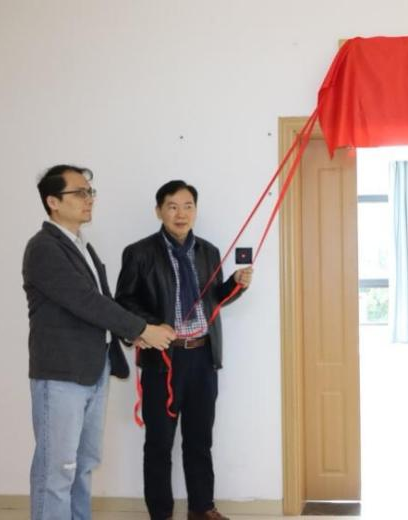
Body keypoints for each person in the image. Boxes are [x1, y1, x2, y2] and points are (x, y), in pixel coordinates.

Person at [23, 164, 176, 520]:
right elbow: (86, 302)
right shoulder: (44, 247)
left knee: (83, 464)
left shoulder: (81, 247)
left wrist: (136, 332)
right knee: (57, 469)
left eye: (90, 192)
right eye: (79, 192)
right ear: (53, 201)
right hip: (61, 373)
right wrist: (143, 329)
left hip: (94, 369)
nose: (88, 199)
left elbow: (104, 303)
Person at [115, 180, 253, 520]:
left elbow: (213, 299)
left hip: (203, 358)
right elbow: (124, 302)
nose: (181, 214)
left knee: (199, 440)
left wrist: (236, 285)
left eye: (188, 206)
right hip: (163, 360)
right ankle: (161, 514)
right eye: (173, 206)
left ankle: (202, 508)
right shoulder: (139, 252)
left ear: (196, 210)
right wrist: (152, 327)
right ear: (159, 211)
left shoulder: (208, 251)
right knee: (159, 444)